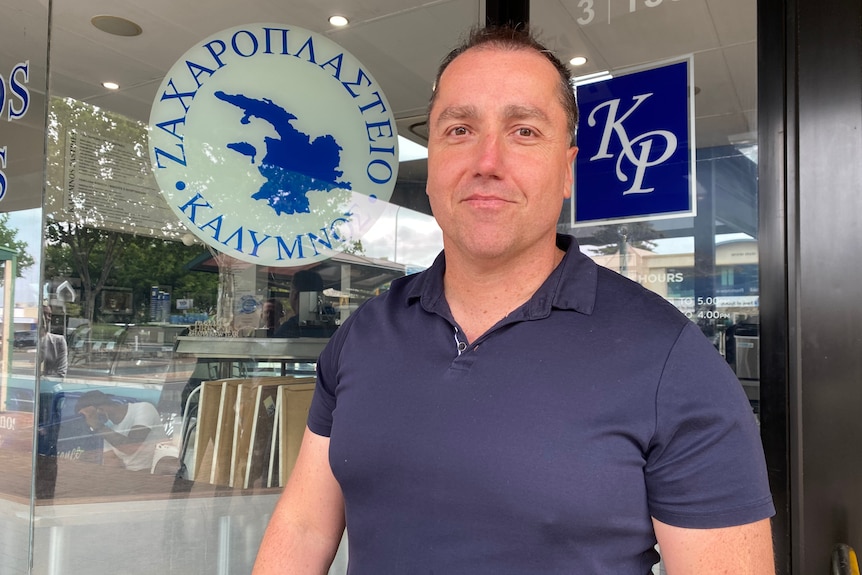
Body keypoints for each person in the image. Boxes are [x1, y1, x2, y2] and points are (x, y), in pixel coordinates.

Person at [253, 25, 775, 574]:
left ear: (568, 168)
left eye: (524, 131)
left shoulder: (671, 361)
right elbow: (304, 525)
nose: (487, 160)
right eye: (459, 129)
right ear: (431, 161)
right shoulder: (363, 335)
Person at [75, 390, 167, 472]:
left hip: (155, 472)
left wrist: (98, 426)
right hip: (131, 477)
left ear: (101, 409)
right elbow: (111, 461)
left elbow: (131, 447)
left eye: (90, 416)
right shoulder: (107, 429)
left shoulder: (144, 409)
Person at [40, 305, 68, 378]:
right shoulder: (30, 342)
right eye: (43, 314)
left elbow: (61, 373)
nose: (47, 318)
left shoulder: (59, 341)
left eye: (49, 315)